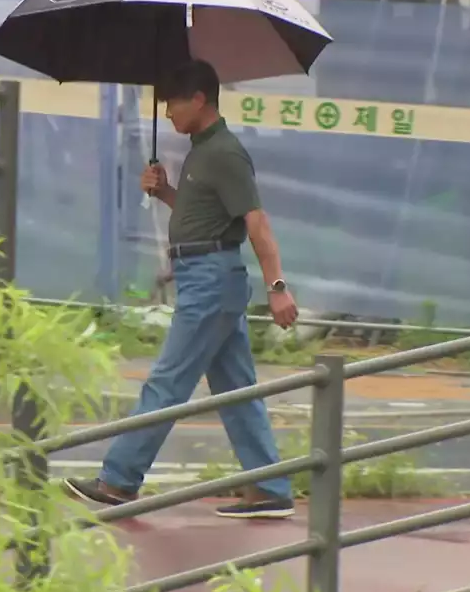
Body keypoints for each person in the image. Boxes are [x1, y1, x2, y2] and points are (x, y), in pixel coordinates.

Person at [65, 59, 299, 519]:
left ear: (198, 99)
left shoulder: (224, 154)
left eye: (172, 101)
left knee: (167, 382)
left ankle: (118, 482)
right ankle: (269, 487)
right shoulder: (203, 150)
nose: (167, 111)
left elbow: (256, 222)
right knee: (237, 388)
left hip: (211, 281)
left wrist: (277, 286)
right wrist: (167, 193)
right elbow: (208, 218)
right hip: (206, 275)